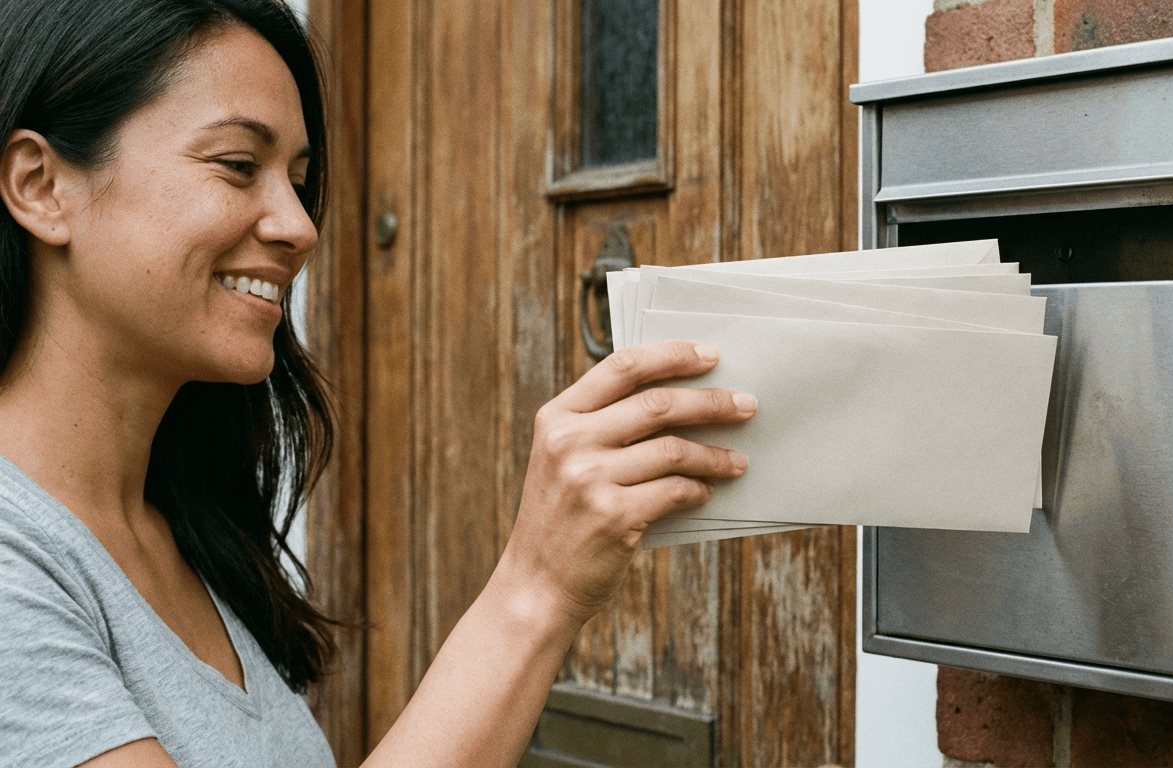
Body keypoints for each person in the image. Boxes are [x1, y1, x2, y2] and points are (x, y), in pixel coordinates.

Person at [0, 1, 756, 765]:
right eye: (237, 166)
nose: (299, 225)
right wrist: (536, 589)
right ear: (40, 185)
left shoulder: (178, 523)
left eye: (298, 180)